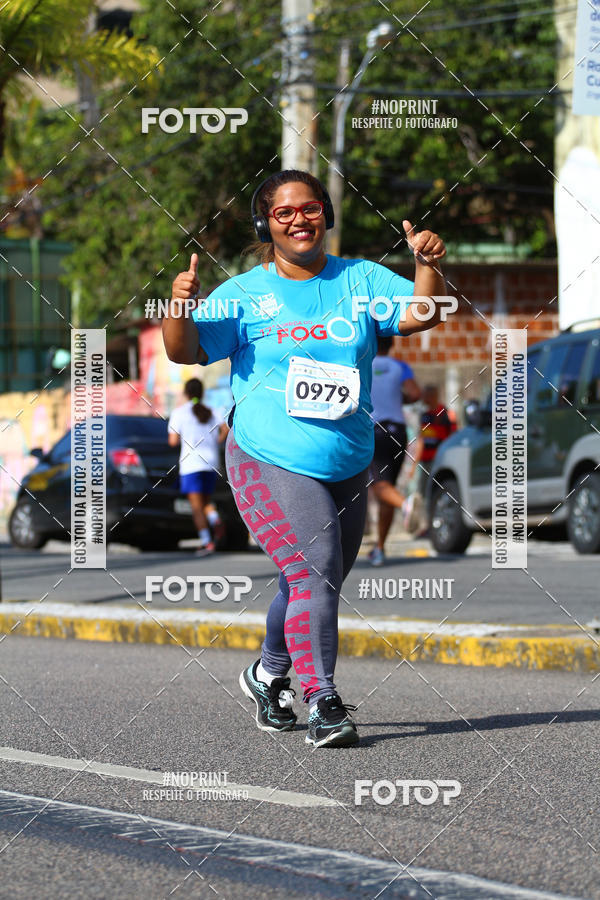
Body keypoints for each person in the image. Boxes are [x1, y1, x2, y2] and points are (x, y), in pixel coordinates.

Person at [163, 169, 447, 747]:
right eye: (284, 212)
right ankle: (323, 700)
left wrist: (427, 265)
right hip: (267, 454)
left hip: (347, 457)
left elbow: (423, 314)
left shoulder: (361, 279)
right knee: (313, 568)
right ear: (265, 225)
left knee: (315, 579)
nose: (299, 220)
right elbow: (183, 350)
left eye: (310, 208)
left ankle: (268, 674)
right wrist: (179, 307)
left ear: (326, 214)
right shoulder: (243, 294)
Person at [367, 336, 421, 567]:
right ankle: (380, 548)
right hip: (398, 432)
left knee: (379, 486)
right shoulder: (400, 366)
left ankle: (405, 505)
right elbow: (415, 394)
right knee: (386, 488)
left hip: (374, 430)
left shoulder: (363, 363)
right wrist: (398, 397)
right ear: (391, 345)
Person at [168, 378, 229, 555]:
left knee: (196, 507)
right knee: (205, 502)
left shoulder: (179, 413)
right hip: (211, 463)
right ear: (202, 393)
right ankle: (215, 519)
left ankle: (206, 542)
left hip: (191, 464)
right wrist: (217, 441)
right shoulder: (212, 411)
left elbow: (172, 441)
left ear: (186, 393)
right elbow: (226, 429)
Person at [410, 383, 457, 509]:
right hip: (425, 462)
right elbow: (421, 440)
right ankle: (424, 518)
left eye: (425, 395)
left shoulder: (446, 414)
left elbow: (453, 437)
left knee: (437, 490)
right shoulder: (424, 415)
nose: (423, 398)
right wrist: (414, 465)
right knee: (422, 492)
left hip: (440, 460)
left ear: (433, 396)